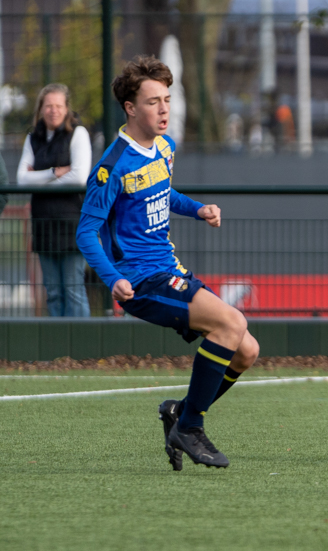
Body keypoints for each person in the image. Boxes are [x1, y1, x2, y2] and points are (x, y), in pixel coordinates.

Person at [76, 55, 260, 470]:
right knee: (232, 324)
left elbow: (164, 193)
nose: (164, 110)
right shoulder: (111, 167)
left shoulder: (164, 147)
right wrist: (112, 278)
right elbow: (85, 233)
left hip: (170, 270)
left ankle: (179, 413)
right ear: (130, 108)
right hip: (140, 281)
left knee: (246, 350)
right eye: (153, 102)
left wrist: (197, 209)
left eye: (167, 100)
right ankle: (190, 427)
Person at [17, 83, 91, 316]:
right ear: (41, 108)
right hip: (43, 225)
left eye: (58, 105)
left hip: (71, 225)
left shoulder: (78, 134)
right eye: (48, 106)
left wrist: (39, 180)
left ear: (66, 108)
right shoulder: (33, 138)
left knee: (73, 290)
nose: (53, 110)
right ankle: (57, 340)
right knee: (53, 292)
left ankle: (81, 339)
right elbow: (21, 179)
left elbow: (79, 178)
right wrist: (55, 172)